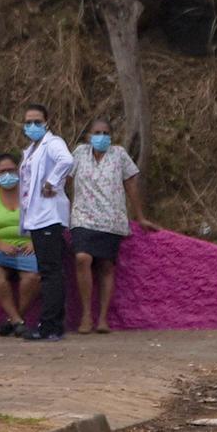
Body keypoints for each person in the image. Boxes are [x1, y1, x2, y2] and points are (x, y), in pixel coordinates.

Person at [68, 117, 153, 334]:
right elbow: (64, 179)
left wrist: (140, 216)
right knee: (82, 258)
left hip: (111, 219)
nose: (102, 137)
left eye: (106, 133)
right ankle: (87, 314)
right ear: (88, 136)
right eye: (97, 133)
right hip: (83, 217)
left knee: (106, 266)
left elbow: (131, 184)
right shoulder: (78, 153)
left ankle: (103, 318)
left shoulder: (119, 155)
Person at [16, 103, 74, 341]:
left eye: (37, 122)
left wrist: (52, 182)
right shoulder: (31, 149)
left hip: (49, 216)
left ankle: (50, 325)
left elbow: (67, 161)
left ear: (46, 123)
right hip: (37, 218)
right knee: (50, 271)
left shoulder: (54, 143)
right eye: (28, 122)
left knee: (50, 273)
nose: (32, 126)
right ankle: (54, 325)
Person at [0, 153, 40, 336]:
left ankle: (13, 320)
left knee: (33, 276)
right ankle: (18, 321)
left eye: (11, 170)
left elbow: (46, 221)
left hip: (28, 247)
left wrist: (36, 242)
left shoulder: (30, 194)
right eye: (2, 171)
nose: (7, 174)